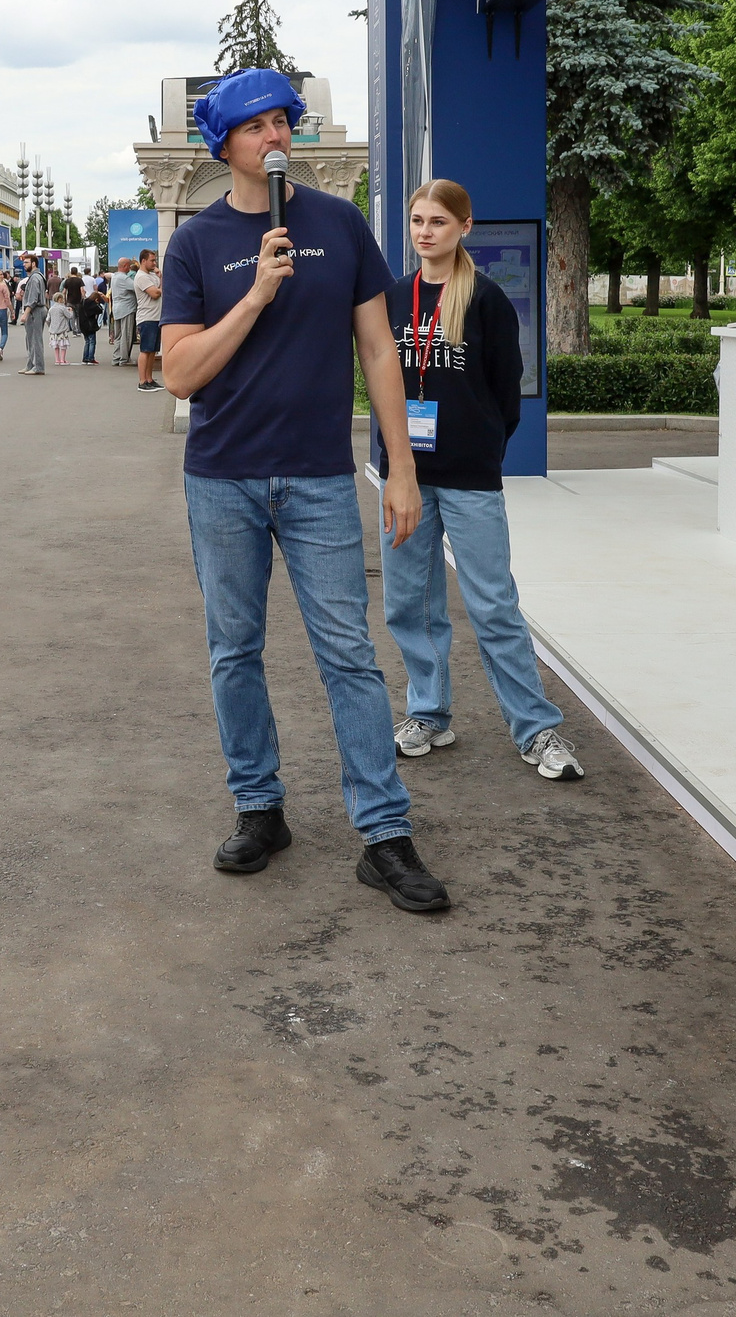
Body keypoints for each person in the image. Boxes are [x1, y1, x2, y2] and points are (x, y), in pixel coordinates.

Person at [160, 67, 446, 913]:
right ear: (224, 145)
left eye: (283, 120)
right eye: (256, 126)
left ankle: (384, 834)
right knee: (233, 651)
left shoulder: (339, 222)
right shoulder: (196, 243)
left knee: (348, 654)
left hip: (319, 476)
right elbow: (179, 374)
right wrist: (255, 295)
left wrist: (401, 467)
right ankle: (259, 808)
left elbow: (380, 350)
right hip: (224, 479)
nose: (276, 135)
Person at [376, 180, 581, 782]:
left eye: (438, 221)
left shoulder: (486, 300)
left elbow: (505, 392)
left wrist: (481, 445)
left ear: (464, 227)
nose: (425, 231)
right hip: (406, 477)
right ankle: (428, 714)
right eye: (418, 220)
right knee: (409, 604)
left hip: (469, 476)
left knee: (493, 605)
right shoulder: (394, 297)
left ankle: (536, 728)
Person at [133, 249, 166, 391]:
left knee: (153, 351)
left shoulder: (152, 275)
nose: (154, 263)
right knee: (145, 350)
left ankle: (149, 379)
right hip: (147, 318)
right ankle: (142, 381)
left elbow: (159, 289)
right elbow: (155, 293)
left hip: (156, 317)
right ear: (143, 261)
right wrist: (161, 287)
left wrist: (160, 277)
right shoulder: (141, 277)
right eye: (152, 260)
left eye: (155, 260)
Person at [16, 257, 49, 376]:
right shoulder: (36, 277)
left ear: (33, 263)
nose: (24, 264)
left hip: (36, 311)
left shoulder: (35, 278)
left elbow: (34, 298)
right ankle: (31, 365)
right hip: (36, 310)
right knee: (30, 339)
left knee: (35, 339)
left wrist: (26, 313)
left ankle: (38, 367)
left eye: (26, 262)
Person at [107, 261, 136, 366]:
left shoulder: (115, 277)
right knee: (126, 335)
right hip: (127, 309)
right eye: (129, 266)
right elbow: (137, 287)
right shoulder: (124, 278)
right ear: (124, 266)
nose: (130, 268)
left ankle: (116, 357)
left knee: (118, 335)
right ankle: (124, 359)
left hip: (117, 309)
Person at [73, 277, 103, 364]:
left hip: (83, 324)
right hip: (90, 325)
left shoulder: (83, 302)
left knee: (87, 341)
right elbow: (100, 310)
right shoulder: (93, 304)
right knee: (92, 341)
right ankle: (90, 358)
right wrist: (98, 303)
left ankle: (85, 358)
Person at [48, 290, 76, 364]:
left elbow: (48, 319)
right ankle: (62, 360)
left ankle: (57, 360)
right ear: (59, 299)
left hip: (53, 330)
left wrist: (50, 325)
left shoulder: (51, 309)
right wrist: (71, 311)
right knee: (63, 346)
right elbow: (69, 316)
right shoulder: (62, 308)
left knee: (56, 346)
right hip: (62, 329)